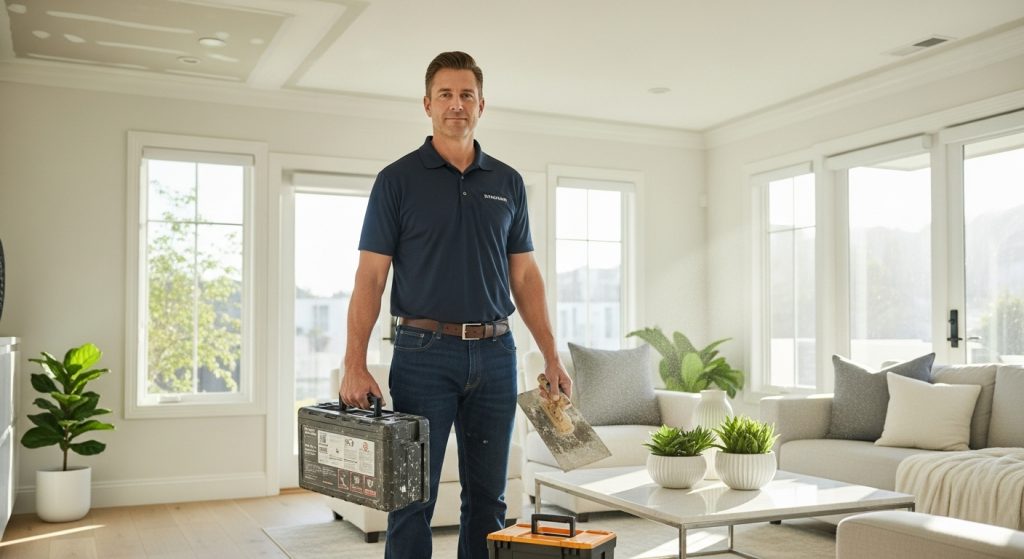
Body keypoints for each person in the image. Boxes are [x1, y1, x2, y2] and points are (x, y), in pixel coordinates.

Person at [339, 51, 571, 559]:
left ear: (482, 105)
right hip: (423, 355)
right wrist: (353, 362)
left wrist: (552, 355)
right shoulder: (396, 180)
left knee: (489, 502)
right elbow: (370, 276)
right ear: (427, 104)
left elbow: (526, 276)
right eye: (445, 94)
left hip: (496, 353)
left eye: (467, 95)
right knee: (411, 500)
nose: (456, 104)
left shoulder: (507, 182)